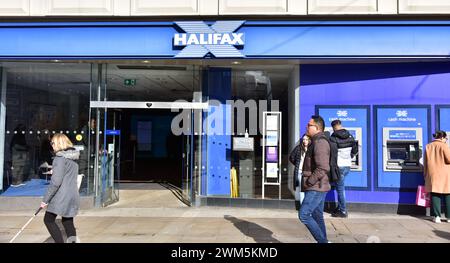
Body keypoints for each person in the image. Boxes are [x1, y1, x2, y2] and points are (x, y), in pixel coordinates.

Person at [40, 133, 80, 243]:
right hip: (73, 195)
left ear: (58, 143)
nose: (51, 145)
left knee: (48, 220)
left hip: (61, 196)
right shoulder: (73, 157)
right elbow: (68, 173)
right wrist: (56, 171)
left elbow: (56, 183)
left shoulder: (59, 158)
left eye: (52, 143)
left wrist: (45, 200)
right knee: (68, 222)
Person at [298, 115, 331, 243]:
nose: (306, 127)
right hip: (318, 185)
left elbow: (323, 167)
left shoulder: (320, 142)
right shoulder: (315, 141)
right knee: (317, 215)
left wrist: (309, 181)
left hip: (316, 186)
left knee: (304, 215)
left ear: (316, 127)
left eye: (309, 125)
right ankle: (323, 241)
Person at [329, 119, 358, 218]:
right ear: (341, 125)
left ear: (333, 127)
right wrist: (350, 156)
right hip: (347, 165)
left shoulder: (333, 138)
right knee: (339, 187)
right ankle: (340, 207)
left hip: (339, 166)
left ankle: (343, 211)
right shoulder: (350, 136)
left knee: (340, 189)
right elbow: (355, 149)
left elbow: (332, 153)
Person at [424, 131, 450, 223]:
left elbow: (425, 162)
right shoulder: (444, 146)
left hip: (432, 174)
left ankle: (437, 216)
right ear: (442, 137)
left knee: (435, 194)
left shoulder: (428, 146)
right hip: (445, 174)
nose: (446, 140)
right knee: (447, 194)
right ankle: (449, 217)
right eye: (446, 138)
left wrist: (425, 174)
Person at [289, 134, 311, 206]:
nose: (305, 141)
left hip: (308, 172)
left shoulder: (311, 148)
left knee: (308, 189)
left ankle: (307, 206)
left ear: (309, 140)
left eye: (306, 139)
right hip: (300, 171)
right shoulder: (298, 148)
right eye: (304, 139)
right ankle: (302, 206)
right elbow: (291, 157)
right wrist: (297, 164)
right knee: (301, 190)